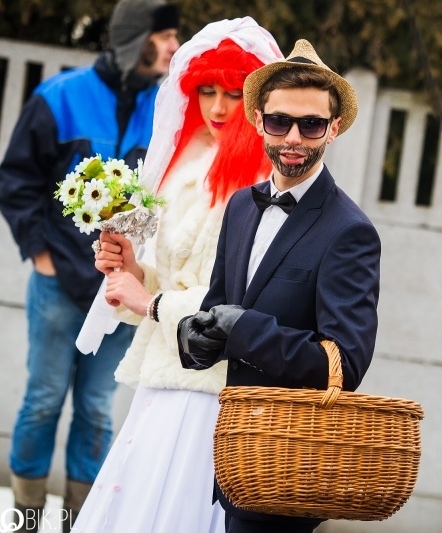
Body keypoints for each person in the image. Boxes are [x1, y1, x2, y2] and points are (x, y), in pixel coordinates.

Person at [70, 18, 283, 533]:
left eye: (233, 93)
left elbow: (239, 301)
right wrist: (126, 265)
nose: (216, 107)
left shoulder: (263, 181)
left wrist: (146, 300)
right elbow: (162, 279)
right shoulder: (185, 161)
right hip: (164, 373)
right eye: (205, 90)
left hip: (213, 384)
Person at [177, 39, 382, 532]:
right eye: (280, 121)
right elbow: (218, 308)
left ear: (333, 128)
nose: (293, 136)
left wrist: (246, 329)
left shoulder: (350, 231)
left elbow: (345, 365)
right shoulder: (241, 207)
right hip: (231, 457)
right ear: (258, 121)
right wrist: (194, 335)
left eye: (310, 124)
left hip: (290, 470)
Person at [0, 0, 179, 530]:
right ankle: (25, 520)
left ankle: (80, 521)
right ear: (136, 36)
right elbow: (18, 180)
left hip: (120, 293)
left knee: (97, 410)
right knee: (42, 401)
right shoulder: (61, 96)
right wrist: (42, 255)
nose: (173, 45)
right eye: (164, 34)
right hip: (56, 288)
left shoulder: (168, 111)